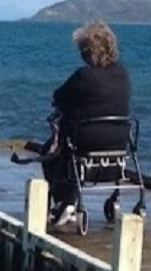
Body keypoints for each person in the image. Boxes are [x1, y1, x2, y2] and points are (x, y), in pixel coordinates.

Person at [43, 19, 131, 227]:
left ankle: (64, 201)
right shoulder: (123, 74)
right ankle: (69, 201)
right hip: (119, 139)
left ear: (87, 51)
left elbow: (59, 96)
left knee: (51, 149)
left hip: (88, 138)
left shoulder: (84, 76)